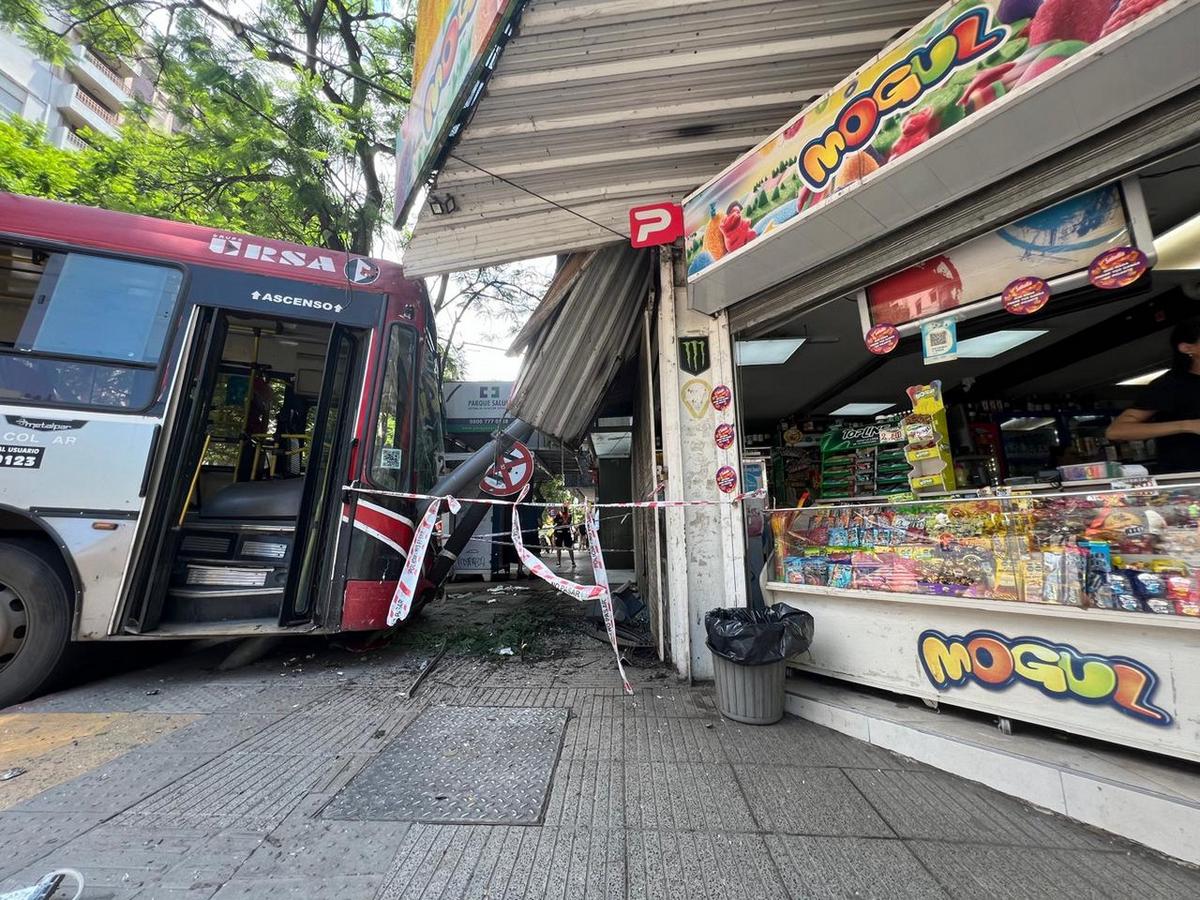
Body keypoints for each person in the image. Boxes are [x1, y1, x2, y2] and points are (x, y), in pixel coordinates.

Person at [1107, 320, 1200, 473]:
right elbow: (1116, 431)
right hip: (1188, 482)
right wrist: (1187, 425)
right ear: (1187, 348)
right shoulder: (1171, 384)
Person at [553, 502, 575, 568]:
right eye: (563, 507)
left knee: (569, 547)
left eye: (565, 508)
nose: (564, 509)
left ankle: (573, 562)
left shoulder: (569, 515)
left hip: (566, 532)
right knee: (558, 548)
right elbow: (555, 521)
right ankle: (558, 562)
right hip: (559, 532)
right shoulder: (558, 514)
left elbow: (568, 522)